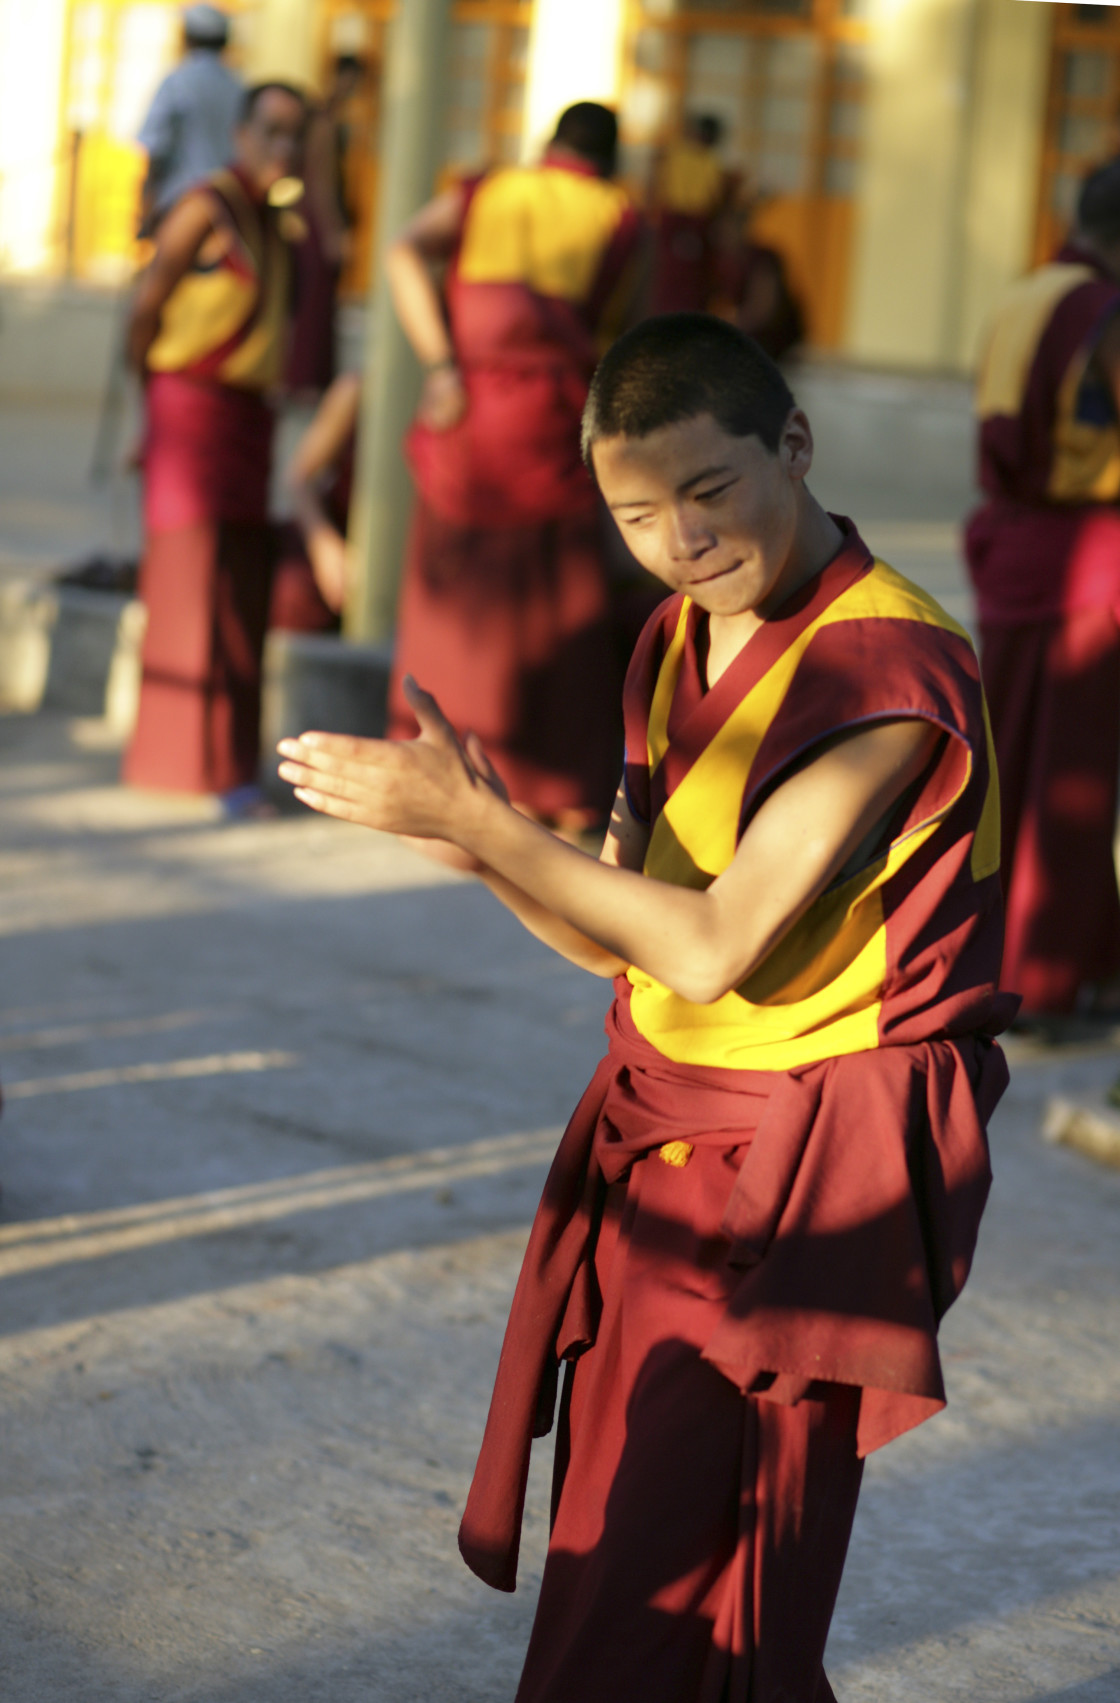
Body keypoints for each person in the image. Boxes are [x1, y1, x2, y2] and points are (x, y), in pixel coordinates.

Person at [276, 314, 1013, 1702]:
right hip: (668, 1146)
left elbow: (715, 945)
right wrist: (484, 839)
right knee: (629, 1537)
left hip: (795, 1176)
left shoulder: (892, 671)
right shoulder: (674, 640)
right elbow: (622, 945)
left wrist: (493, 828)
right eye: (633, 510)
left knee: (694, 1563)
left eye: (707, 489)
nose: (677, 537)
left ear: (792, 448)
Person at [384, 100, 647, 831]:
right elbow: (627, 330)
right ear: (609, 159)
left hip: (465, 412)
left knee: (453, 607)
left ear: (547, 146)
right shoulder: (620, 216)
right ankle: (548, 791)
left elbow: (402, 249)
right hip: (556, 418)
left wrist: (440, 362)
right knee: (551, 608)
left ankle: (436, 778)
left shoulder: (489, 190)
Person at [965, 159, 1120, 1019]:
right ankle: (1052, 976)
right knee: (1073, 774)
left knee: (1011, 762)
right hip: (1087, 559)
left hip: (1015, 541)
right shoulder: (1105, 312)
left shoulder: (1024, 296)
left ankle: (999, 959)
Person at [124, 83, 307, 801]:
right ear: (241, 132)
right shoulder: (205, 206)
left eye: (298, 136)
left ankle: (228, 762)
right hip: (189, 413)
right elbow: (148, 308)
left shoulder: (280, 222)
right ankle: (177, 764)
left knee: (240, 581)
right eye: (272, 131)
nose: (282, 149)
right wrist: (155, 406)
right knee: (191, 577)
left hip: (245, 422)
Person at [285, 54, 369, 397]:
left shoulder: (328, 118)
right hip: (317, 220)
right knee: (313, 305)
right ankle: (303, 379)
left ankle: (309, 378)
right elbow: (321, 181)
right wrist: (334, 231)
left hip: (314, 218)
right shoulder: (324, 121)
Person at [136, 5, 243, 234]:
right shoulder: (238, 86)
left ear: (188, 38)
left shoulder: (177, 82)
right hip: (228, 205)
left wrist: (146, 203)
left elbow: (156, 149)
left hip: (180, 202)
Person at [271, 369, 360, 633]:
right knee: (292, 593)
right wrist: (324, 545)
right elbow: (299, 479)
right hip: (335, 535)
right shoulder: (356, 391)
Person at [648, 114, 728, 315]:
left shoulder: (700, 159)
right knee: (676, 280)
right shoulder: (687, 156)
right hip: (683, 221)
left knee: (680, 281)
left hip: (691, 223)